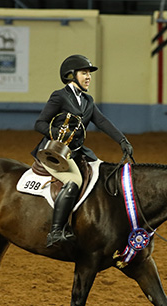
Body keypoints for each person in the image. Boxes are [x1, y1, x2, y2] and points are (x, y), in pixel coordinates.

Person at [32, 54, 134, 248]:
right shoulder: (59, 96)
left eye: (89, 74)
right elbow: (39, 123)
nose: (88, 77)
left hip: (77, 152)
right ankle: (56, 231)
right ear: (71, 75)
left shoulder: (87, 100)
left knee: (99, 172)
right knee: (74, 181)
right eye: (84, 73)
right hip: (55, 152)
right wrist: (56, 134)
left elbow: (102, 121)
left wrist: (122, 140)